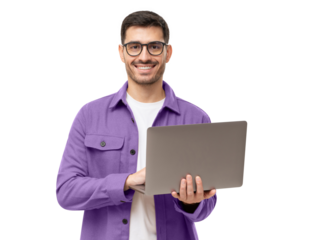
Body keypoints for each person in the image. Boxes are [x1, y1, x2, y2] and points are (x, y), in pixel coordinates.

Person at [55, 9, 218, 240]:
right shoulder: (89, 114)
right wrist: (127, 182)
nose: (144, 56)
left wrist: (191, 202)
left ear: (168, 52)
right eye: (134, 47)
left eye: (154, 46)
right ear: (121, 52)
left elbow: (207, 208)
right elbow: (66, 193)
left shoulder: (197, 118)